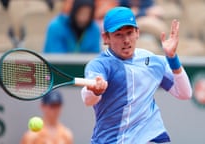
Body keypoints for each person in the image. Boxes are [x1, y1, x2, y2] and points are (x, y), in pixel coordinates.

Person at [81, 7, 192, 143]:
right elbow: (88, 99)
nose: (126, 40)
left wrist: (172, 58)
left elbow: (185, 93)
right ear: (106, 38)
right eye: (119, 35)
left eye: (129, 33)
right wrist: (95, 91)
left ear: (137, 33)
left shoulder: (153, 61)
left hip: (151, 135)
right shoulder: (99, 65)